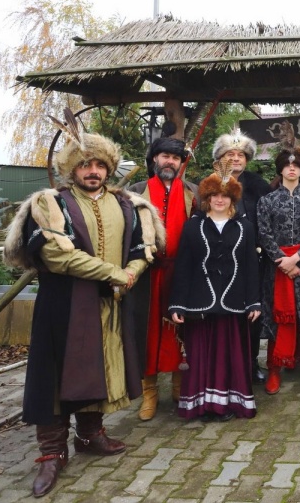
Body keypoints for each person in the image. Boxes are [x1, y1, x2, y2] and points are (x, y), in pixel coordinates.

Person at [3, 113, 161, 497]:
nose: (93, 171)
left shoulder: (129, 205)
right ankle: (51, 453)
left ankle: (90, 436)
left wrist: (132, 271)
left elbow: (145, 248)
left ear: (108, 169)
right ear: (72, 169)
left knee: (99, 367)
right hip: (64, 306)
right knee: (56, 374)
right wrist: (113, 272)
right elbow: (57, 256)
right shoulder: (49, 202)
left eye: (99, 165)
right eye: (85, 165)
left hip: (108, 305)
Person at [168, 164, 261, 422]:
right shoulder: (193, 226)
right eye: (214, 196)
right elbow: (183, 266)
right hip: (200, 303)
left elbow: (251, 266)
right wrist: (177, 304)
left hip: (234, 302)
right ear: (206, 199)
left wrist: (254, 301)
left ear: (232, 199)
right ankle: (202, 406)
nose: (219, 200)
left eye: (225, 196)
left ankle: (226, 404)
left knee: (228, 356)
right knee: (201, 356)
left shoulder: (244, 227)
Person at [127, 136, 197, 421]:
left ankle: (179, 388)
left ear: (182, 163)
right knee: (148, 331)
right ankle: (149, 392)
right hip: (147, 274)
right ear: (155, 158)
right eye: (165, 156)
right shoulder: (135, 191)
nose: (170, 161)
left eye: (175, 158)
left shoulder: (193, 192)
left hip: (181, 274)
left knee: (181, 331)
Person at [258, 146, 300, 393]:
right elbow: (264, 234)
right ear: (280, 169)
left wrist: (296, 258)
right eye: (287, 165)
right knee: (277, 316)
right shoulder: (267, 201)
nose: (291, 168)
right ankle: (275, 368)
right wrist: (283, 261)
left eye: (296, 165)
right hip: (275, 269)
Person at [212, 129, 272, 385]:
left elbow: (268, 222)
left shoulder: (259, 185)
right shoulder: (211, 185)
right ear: (220, 158)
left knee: (252, 314)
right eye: (229, 154)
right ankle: (223, 364)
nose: (236, 158)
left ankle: (251, 362)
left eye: (240, 155)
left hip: (253, 260)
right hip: (219, 262)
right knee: (222, 314)